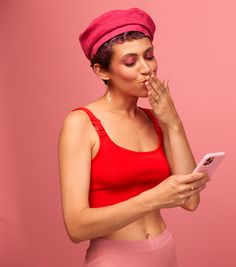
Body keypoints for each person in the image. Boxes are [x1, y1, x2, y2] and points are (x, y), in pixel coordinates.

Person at [57, 7, 210, 267]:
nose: (146, 69)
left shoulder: (155, 119)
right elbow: (76, 228)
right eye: (130, 62)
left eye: (149, 56)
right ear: (102, 71)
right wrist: (154, 197)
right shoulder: (81, 123)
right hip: (115, 259)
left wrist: (173, 122)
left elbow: (191, 200)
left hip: (165, 251)